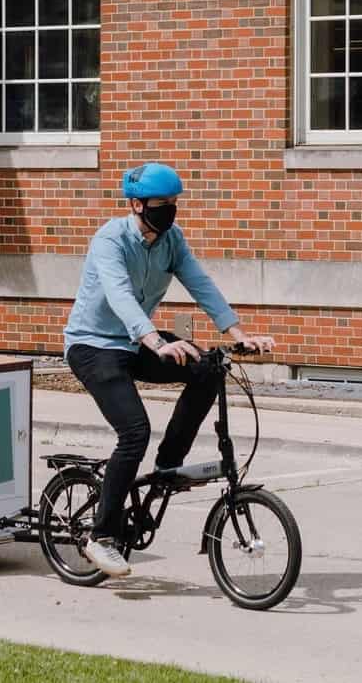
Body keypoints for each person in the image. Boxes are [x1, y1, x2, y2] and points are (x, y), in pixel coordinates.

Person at [62, 162, 275, 578]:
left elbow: (201, 284)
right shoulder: (110, 240)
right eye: (162, 204)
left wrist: (239, 333)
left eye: (175, 203)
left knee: (207, 369)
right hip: (94, 346)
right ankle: (101, 536)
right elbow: (121, 297)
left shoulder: (171, 240)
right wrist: (158, 342)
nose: (170, 211)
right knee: (134, 430)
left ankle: (167, 467)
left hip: (133, 341)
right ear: (136, 204)